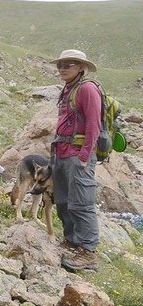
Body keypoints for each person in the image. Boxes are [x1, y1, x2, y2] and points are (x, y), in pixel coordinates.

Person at [50, 49, 102, 271]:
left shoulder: (88, 89)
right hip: (61, 153)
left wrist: (84, 155)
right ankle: (72, 241)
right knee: (62, 201)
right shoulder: (69, 88)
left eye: (68, 64)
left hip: (77, 155)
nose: (62, 69)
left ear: (81, 67)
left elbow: (93, 125)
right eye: (60, 65)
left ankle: (88, 252)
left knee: (81, 203)